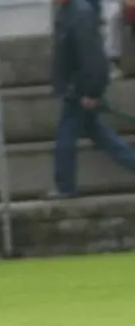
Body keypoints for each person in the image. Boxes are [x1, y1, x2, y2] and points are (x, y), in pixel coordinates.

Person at [49, 0, 135, 198]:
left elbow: (92, 56)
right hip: (77, 87)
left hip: (78, 89)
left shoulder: (79, 13)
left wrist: (91, 91)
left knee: (66, 133)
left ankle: (65, 186)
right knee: (100, 134)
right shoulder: (73, 11)